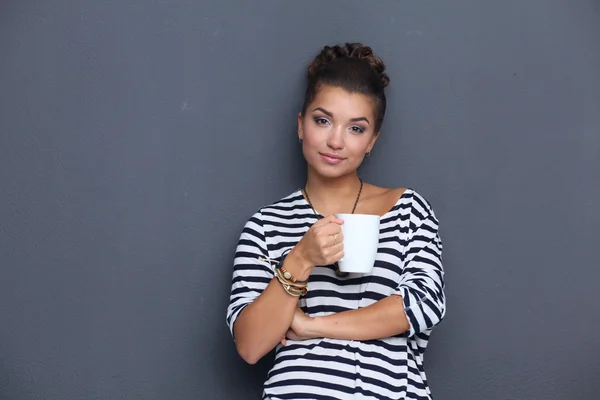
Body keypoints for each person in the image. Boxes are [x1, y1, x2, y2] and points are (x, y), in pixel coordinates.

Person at [226, 42, 446, 400]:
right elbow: (250, 345)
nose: (335, 141)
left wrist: (311, 325)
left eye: (356, 129)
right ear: (301, 125)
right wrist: (301, 259)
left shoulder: (408, 210)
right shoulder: (265, 226)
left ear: (372, 140)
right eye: (322, 120)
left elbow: (421, 305)